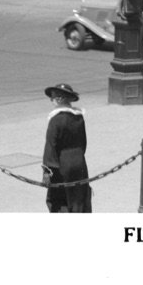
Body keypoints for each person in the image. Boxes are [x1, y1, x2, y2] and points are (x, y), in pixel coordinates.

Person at [41, 83, 91, 213]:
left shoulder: (55, 119)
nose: (51, 100)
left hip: (62, 165)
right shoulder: (79, 117)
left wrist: (47, 170)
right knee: (78, 196)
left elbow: (50, 146)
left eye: (52, 98)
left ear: (60, 99)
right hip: (79, 162)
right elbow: (83, 142)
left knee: (60, 198)